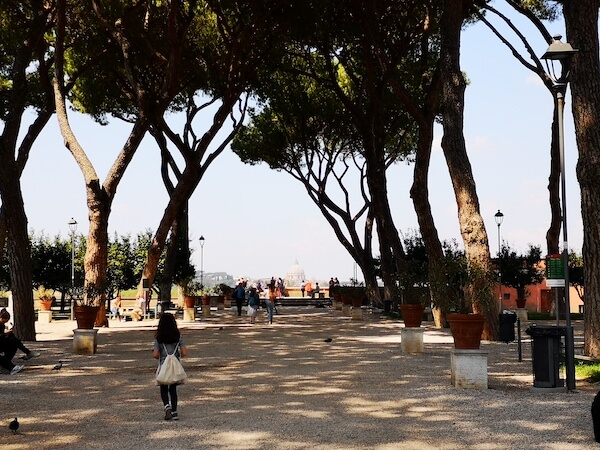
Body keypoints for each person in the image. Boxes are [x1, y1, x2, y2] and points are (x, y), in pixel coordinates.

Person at [153, 313, 187, 421]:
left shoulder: (159, 337)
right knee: (173, 388)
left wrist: (161, 355)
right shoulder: (178, 336)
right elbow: (184, 352)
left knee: (163, 387)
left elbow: (155, 354)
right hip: (175, 366)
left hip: (163, 365)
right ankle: (175, 412)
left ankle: (166, 406)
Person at [0, 308, 40, 375]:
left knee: (13, 341)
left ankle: (6, 364)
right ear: (1, 318)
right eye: (4, 321)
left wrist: (7, 334)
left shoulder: (2, 325)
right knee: (13, 340)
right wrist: (4, 334)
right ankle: (11, 367)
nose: (5, 323)